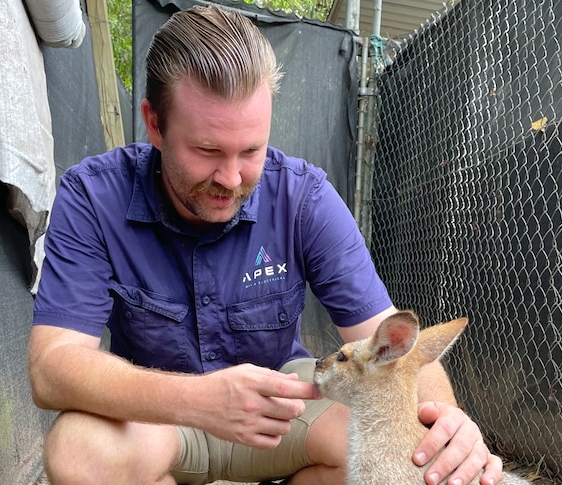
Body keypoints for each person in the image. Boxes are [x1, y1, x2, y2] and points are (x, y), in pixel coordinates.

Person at [28, 5, 502, 485]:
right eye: (207, 150)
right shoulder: (93, 195)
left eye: (251, 150)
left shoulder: (303, 196)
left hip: (282, 408)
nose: (231, 178)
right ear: (154, 124)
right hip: (160, 419)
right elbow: (52, 367)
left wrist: (445, 425)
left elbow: (392, 343)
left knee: (405, 450)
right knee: (77, 452)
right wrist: (199, 399)